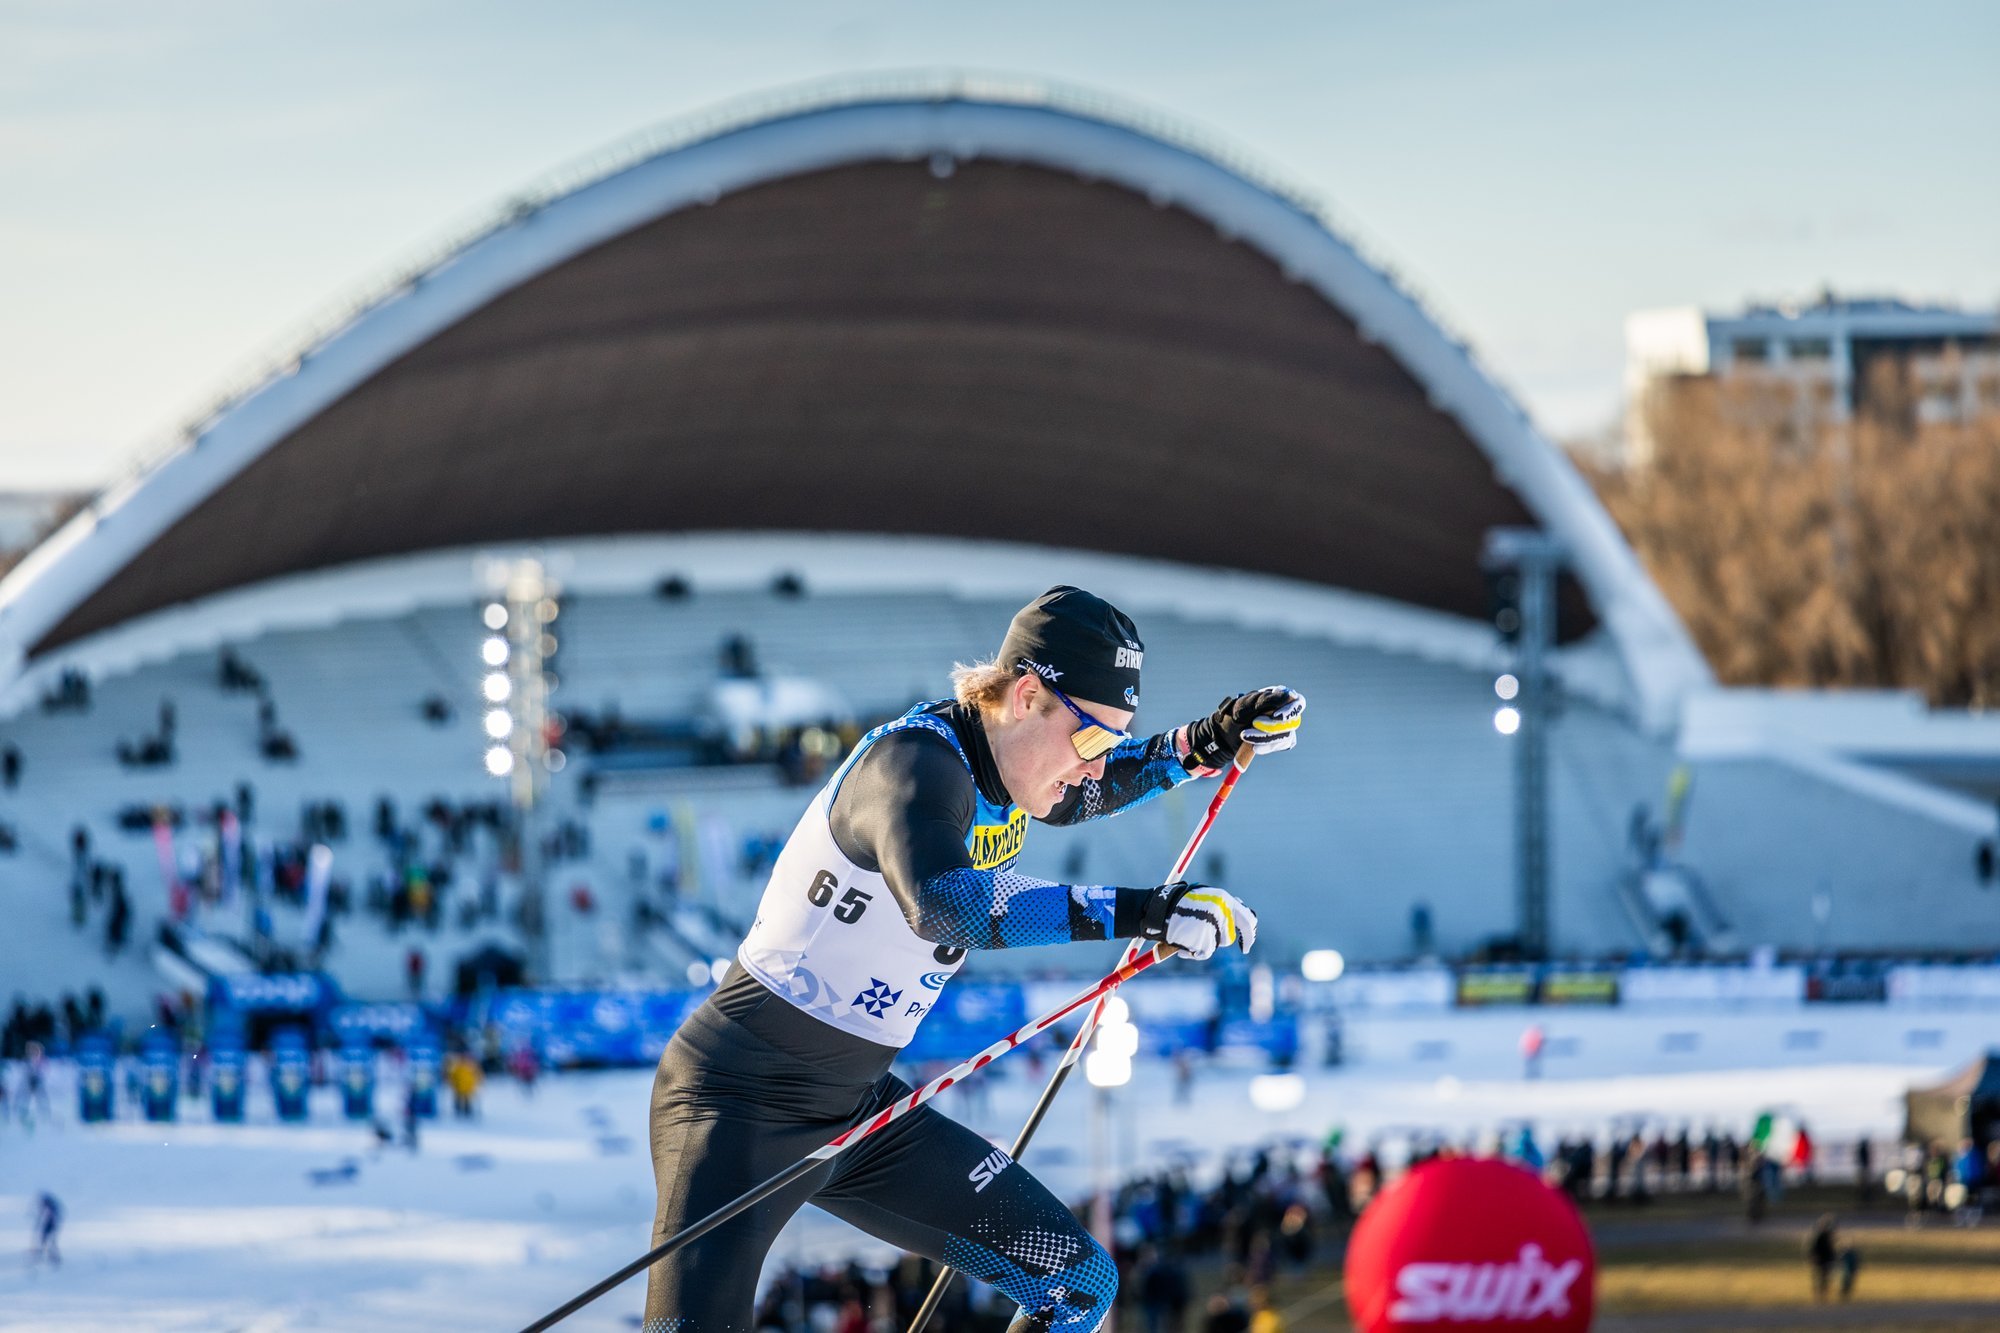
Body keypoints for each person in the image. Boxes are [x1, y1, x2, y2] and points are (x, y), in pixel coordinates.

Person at [641, 587, 1306, 1333]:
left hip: (856, 1111)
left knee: (1077, 1282)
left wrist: (1207, 741)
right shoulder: (912, 767)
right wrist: (1146, 911)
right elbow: (946, 905)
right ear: (1026, 696)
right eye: (1092, 741)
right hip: (735, 1100)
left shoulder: (1016, 770)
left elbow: (1097, 786)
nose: (1095, 768)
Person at [1806, 1214, 1837, 1301]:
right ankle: (1819, 1295)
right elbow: (1814, 1249)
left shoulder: (1828, 1236)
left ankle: (1823, 1295)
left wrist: (1833, 1257)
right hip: (1821, 1260)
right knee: (1821, 1277)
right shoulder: (1820, 1236)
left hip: (1826, 1259)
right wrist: (1813, 1257)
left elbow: (1831, 1249)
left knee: (1824, 1278)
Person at [31, 1191, 61, 1268]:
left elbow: (48, 1217)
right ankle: (49, 1255)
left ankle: (52, 1256)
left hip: (50, 1225)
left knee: (49, 1241)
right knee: (47, 1241)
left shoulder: (49, 1207)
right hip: (49, 1225)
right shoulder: (49, 1207)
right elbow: (42, 1216)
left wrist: (39, 1224)